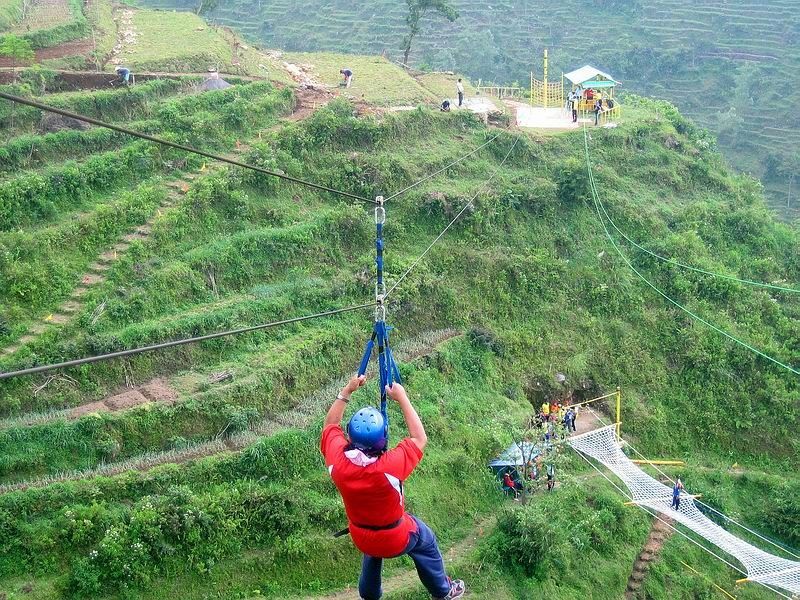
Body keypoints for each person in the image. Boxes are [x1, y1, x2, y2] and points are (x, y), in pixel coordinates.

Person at [321, 375, 466, 600]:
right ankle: (443, 591)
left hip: (361, 535)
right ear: (382, 440)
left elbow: (330, 425)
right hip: (396, 537)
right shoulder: (388, 467)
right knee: (426, 540)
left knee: (372, 550)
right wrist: (402, 397)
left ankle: (369, 596)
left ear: (350, 435)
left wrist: (347, 391)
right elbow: (419, 438)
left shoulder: (337, 462)